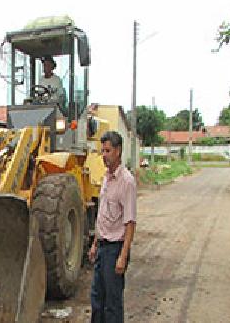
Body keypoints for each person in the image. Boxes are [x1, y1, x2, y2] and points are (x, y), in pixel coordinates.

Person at [88, 131, 137, 322]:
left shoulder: (127, 181)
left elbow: (130, 222)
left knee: (112, 303)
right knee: (97, 299)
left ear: (118, 151)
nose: (104, 155)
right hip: (102, 247)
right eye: (102, 151)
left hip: (115, 249)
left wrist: (122, 256)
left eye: (107, 151)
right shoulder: (106, 178)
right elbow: (102, 215)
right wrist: (95, 243)